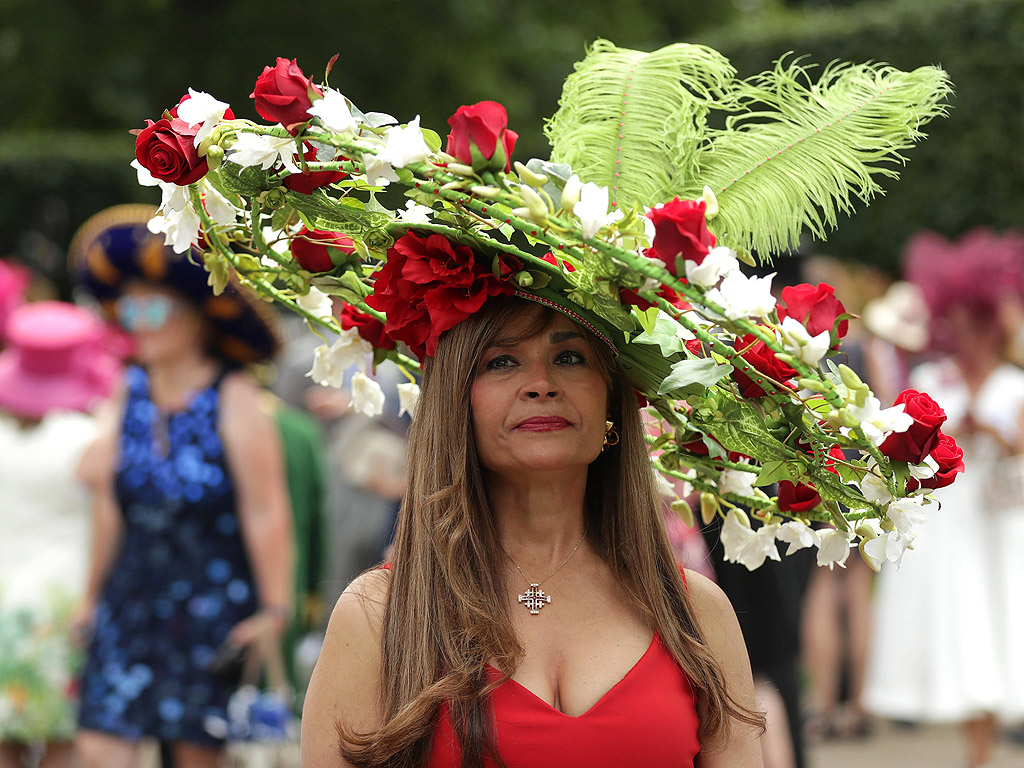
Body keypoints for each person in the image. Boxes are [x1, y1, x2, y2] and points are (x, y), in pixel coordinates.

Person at [302, 296, 765, 767]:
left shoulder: (697, 615)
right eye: (502, 361)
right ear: (456, 402)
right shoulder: (379, 617)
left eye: (570, 357)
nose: (541, 384)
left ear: (610, 399)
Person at [68, 205, 295, 768]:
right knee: (98, 749)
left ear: (196, 315)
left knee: (193, 759)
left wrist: (274, 610)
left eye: (152, 306)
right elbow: (109, 507)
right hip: (129, 603)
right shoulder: (129, 391)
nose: (136, 320)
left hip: (209, 610)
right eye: (128, 307)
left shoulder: (236, 398)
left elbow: (267, 510)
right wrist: (91, 598)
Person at [863, 228, 1024, 768]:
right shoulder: (935, 378)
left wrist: (998, 439)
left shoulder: (1014, 387)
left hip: (997, 527)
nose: (968, 337)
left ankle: (980, 752)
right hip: (946, 524)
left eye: (976, 327)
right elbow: (900, 443)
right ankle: (973, 751)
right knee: (957, 633)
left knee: (994, 632)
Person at [0, 300, 120, 768]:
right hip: (63, 598)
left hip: (3, 594)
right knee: (59, 738)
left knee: (5, 737)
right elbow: (107, 528)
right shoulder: (88, 439)